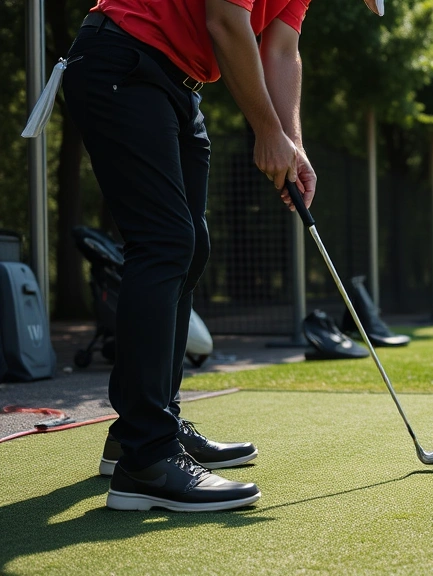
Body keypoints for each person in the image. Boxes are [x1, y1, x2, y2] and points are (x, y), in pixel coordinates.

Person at [62, 0, 319, 512]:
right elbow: (225, 20)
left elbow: (283, 50)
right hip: (123, 60)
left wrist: (291, 140)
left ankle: (148, 426)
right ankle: (147, 457)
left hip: (176, 85)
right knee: (165, 242)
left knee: (190, 246)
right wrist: (265, 132)